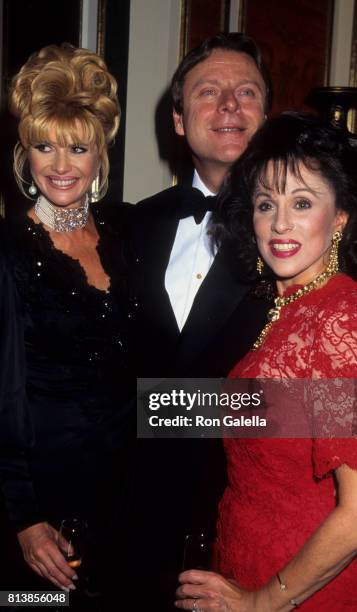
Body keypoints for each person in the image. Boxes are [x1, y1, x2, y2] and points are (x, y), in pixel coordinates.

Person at [175, 113, 357, 611]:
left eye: (302, 202)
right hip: (248, 565)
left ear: (340, 217)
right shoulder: (287, 306)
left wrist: (263, 601)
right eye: (266, 203)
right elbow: (275, 419)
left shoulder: (346, 320)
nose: (281, 223)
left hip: (307, 592)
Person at [132, 34, 273, 612]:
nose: (230, 106)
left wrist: (159, 408)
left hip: (246, 529)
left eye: (247, 93)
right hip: (132, 529)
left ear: (268, 115)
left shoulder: (311, 237)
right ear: (177, 119)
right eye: (209, 92)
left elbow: (355, 406)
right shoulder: (129, 227)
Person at [1, 44, 135, 607]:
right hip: (42, 508)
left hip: (125, 495)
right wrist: (24, 518)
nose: (60, 166)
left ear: (100, 155)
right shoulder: (7, 249)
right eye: (44, 146)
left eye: (77, 148)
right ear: (23, 152)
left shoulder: (127, 237)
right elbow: (2, 396)